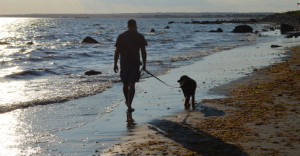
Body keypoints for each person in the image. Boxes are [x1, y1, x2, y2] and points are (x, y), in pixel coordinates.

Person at [114, 19, 147, 113]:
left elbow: (117, 51)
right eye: (136, 26)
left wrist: (115, 63)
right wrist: (144, 63)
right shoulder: (139, 36)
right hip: (134, 64)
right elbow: (143, 51)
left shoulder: (121, 36)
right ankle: (129, 105)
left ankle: (128, 103)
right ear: (133, 26)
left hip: (124, 64)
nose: (136, 28)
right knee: (131, 85)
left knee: (125, 84)